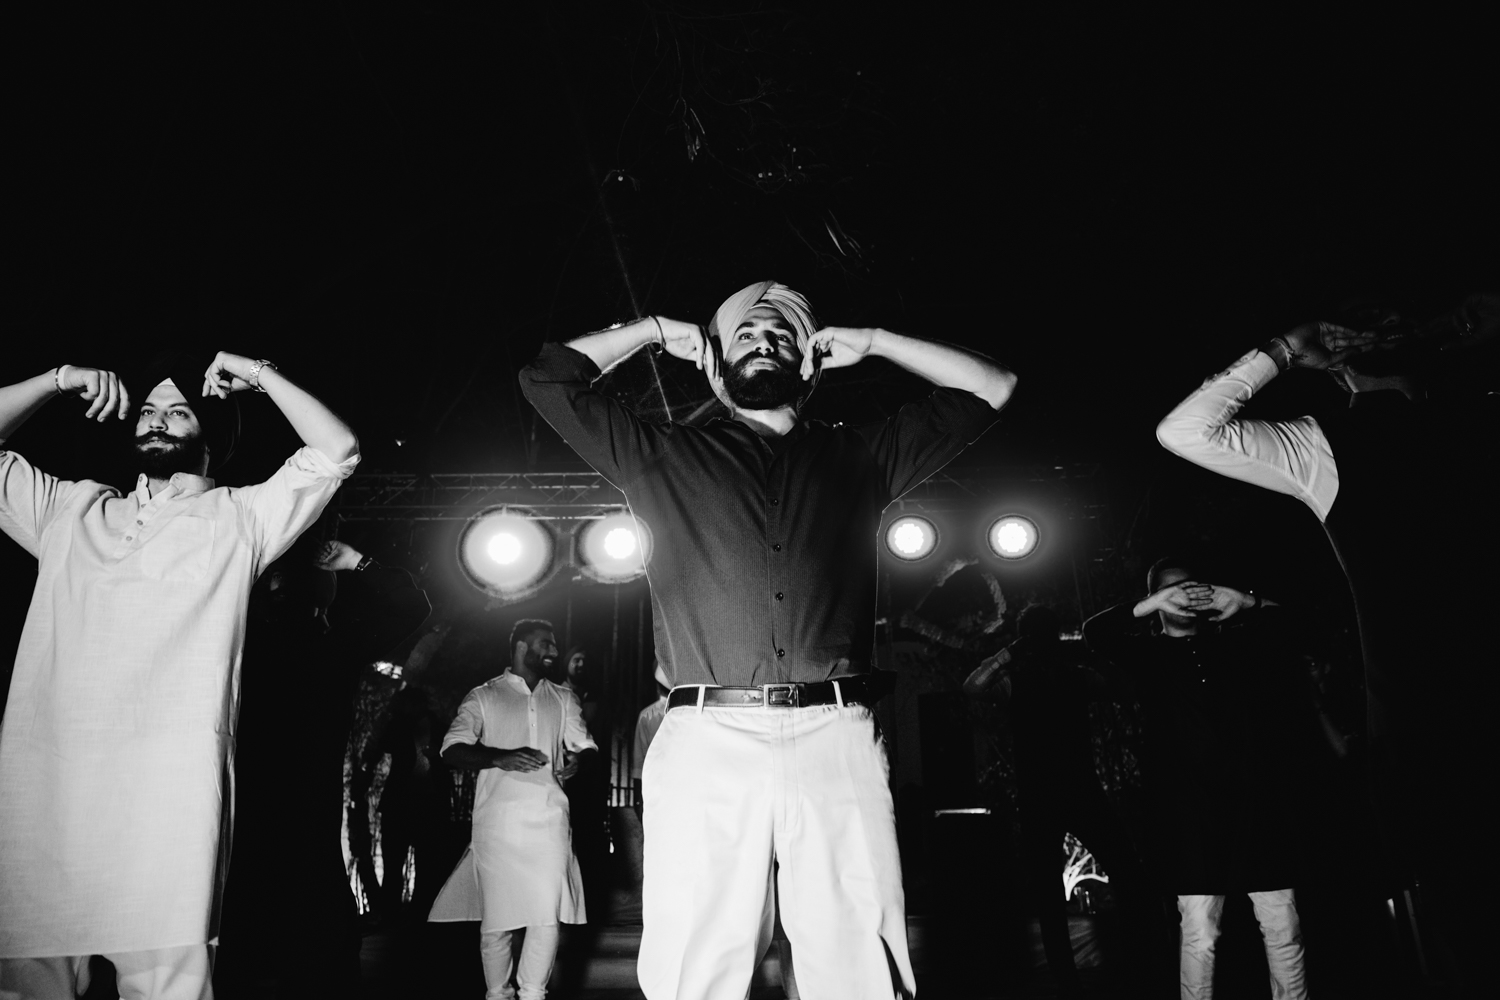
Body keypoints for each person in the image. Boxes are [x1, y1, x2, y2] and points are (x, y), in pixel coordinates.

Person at [519, 280, 1014, 999]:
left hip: (835, 733)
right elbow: (547, 377)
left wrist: (874, 342)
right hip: (706, 735)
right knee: (699, 963)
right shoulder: (659, 453)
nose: (765, 342)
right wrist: (655, 328)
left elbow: (993, 387)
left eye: (783, 334)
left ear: (811, 362)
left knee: (860, 965)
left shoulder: (862, 457)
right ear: (716, 362)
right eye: (746, 333)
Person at [1154, 296, 1500, 988]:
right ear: (1340, 366)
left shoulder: (1397, 429)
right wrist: (1292, 348)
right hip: (1427, 726)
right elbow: (1182, 432)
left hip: (1426, 725)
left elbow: (1185, 429)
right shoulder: (1328, 442)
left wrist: (1287, 347)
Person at [0, 352, 358, 1000]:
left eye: (178, 410)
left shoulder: (240, 517)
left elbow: (336, 450)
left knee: (168, 988)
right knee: (31, 984)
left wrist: (257, 374)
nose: (158, 419)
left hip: (169, 797)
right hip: (47, 791)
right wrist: (57, 381)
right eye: (147, 410)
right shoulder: (68, 511)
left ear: (209, 438)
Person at [1084, 557, 1321, 1000]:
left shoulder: (1239, 645)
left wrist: (1245, 600)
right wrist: (1151, 602)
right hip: (1189, 816)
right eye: (1172, 590)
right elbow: (1095, 633)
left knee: (1283, 927)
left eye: (1193, 587)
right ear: (1156, 598)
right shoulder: (1146, 655)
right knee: (1199, 931)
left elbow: (1299, 624)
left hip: (1256, 808)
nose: (1185, 595)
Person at [216, 537, 430, 997]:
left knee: (235, 958)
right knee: (321, 958)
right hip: (308, 826)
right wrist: (358, 560)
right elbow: (411, 605)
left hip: (238, 822)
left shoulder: (234, 642)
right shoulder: (334, 648)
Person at [963, 605, 1153, 999]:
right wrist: (1013, 654)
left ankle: (1134, 963)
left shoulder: (1072, 677)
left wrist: (1080, 655)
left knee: (1112, 877)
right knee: (1073, 888)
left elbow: (1126, 689)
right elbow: (973, 687)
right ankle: (1102, 972)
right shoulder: (1024, 681)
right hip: (1054, 797)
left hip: (1068, 794)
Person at [430, 619, 597, 1000]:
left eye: (554, 646)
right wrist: (499, 757)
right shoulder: (484, 696)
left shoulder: (563, 697)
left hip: (550, 820)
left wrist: (579, 761)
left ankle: (534, 993)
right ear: (521, 647)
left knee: (546, 914)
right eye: (546, 644)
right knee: (497, 921)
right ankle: (497, 993)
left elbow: (584, 745)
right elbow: (451, 749)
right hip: (497, 824)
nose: (554, 652)